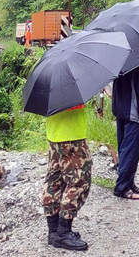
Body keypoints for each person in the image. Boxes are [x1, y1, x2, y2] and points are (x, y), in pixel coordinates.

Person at [42, 103, 91, 251]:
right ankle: (63, 232)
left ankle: (53, 230)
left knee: (54, 180)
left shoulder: (51, 85)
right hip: (72, 135)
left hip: (54, 134)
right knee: (79, 181)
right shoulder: (72, 84)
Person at [111, 63, 139, 200]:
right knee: (131, 152)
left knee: (124, 150)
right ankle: (122, 188)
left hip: (121, 111)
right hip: (134, 114)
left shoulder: (119, 58)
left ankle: (129, 183)